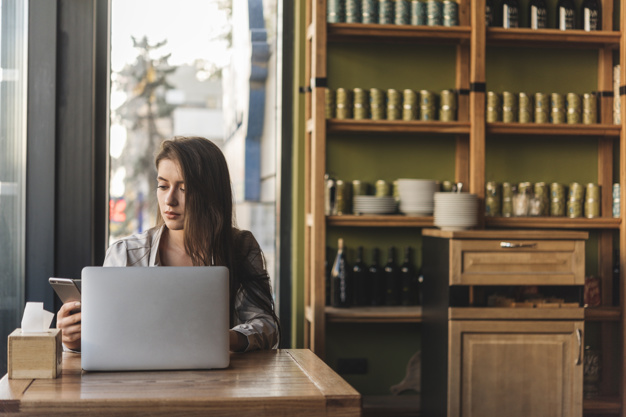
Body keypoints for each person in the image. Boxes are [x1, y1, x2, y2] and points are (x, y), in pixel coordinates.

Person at [57, 136, 280, 352]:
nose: (169, 200)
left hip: (216, 382)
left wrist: (226, 339)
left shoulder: (240, 247)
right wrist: (75, 341)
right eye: (163, 186)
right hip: (138, 381)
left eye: (184, 189)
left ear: (211, 194)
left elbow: (266, 325)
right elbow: (102, 335)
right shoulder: (125, 254)